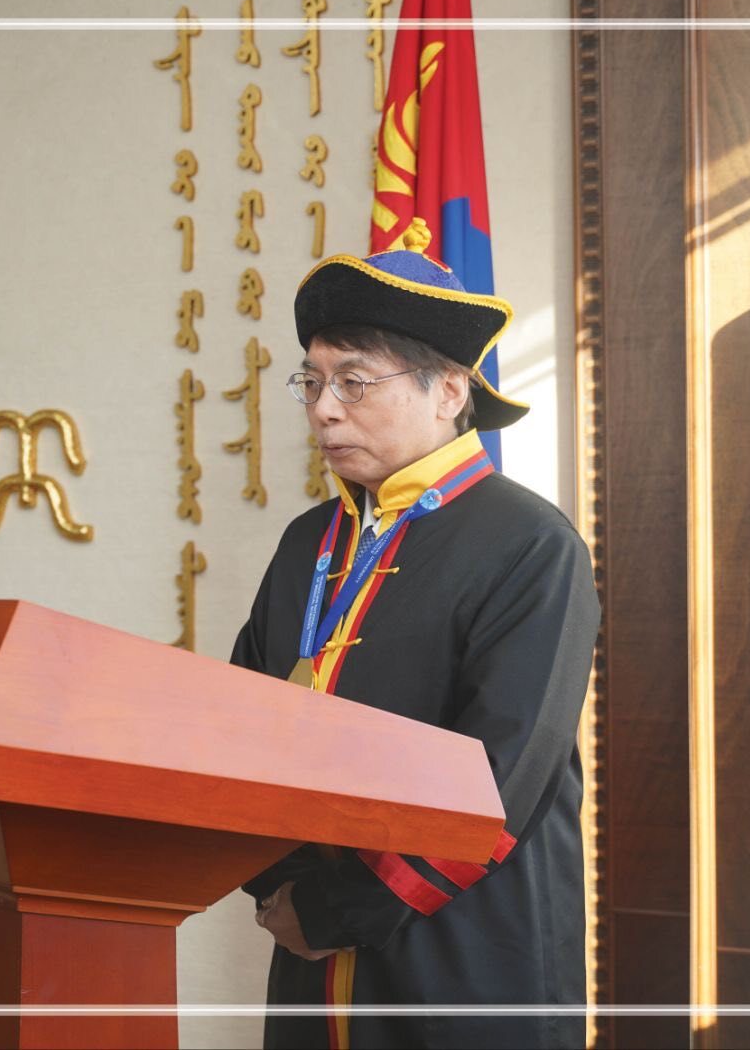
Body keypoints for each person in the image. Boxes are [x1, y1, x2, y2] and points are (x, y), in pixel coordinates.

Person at [233, 219, 599, 1049]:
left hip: (463, 951)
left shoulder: (531, 544)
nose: (324, 408)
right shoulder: (307, 541)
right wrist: (281, 888)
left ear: (449, 392)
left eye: (354, 381)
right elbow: (241, 719)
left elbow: (507, 772)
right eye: (312, 380)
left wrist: (345, 908)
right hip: (309, 943)